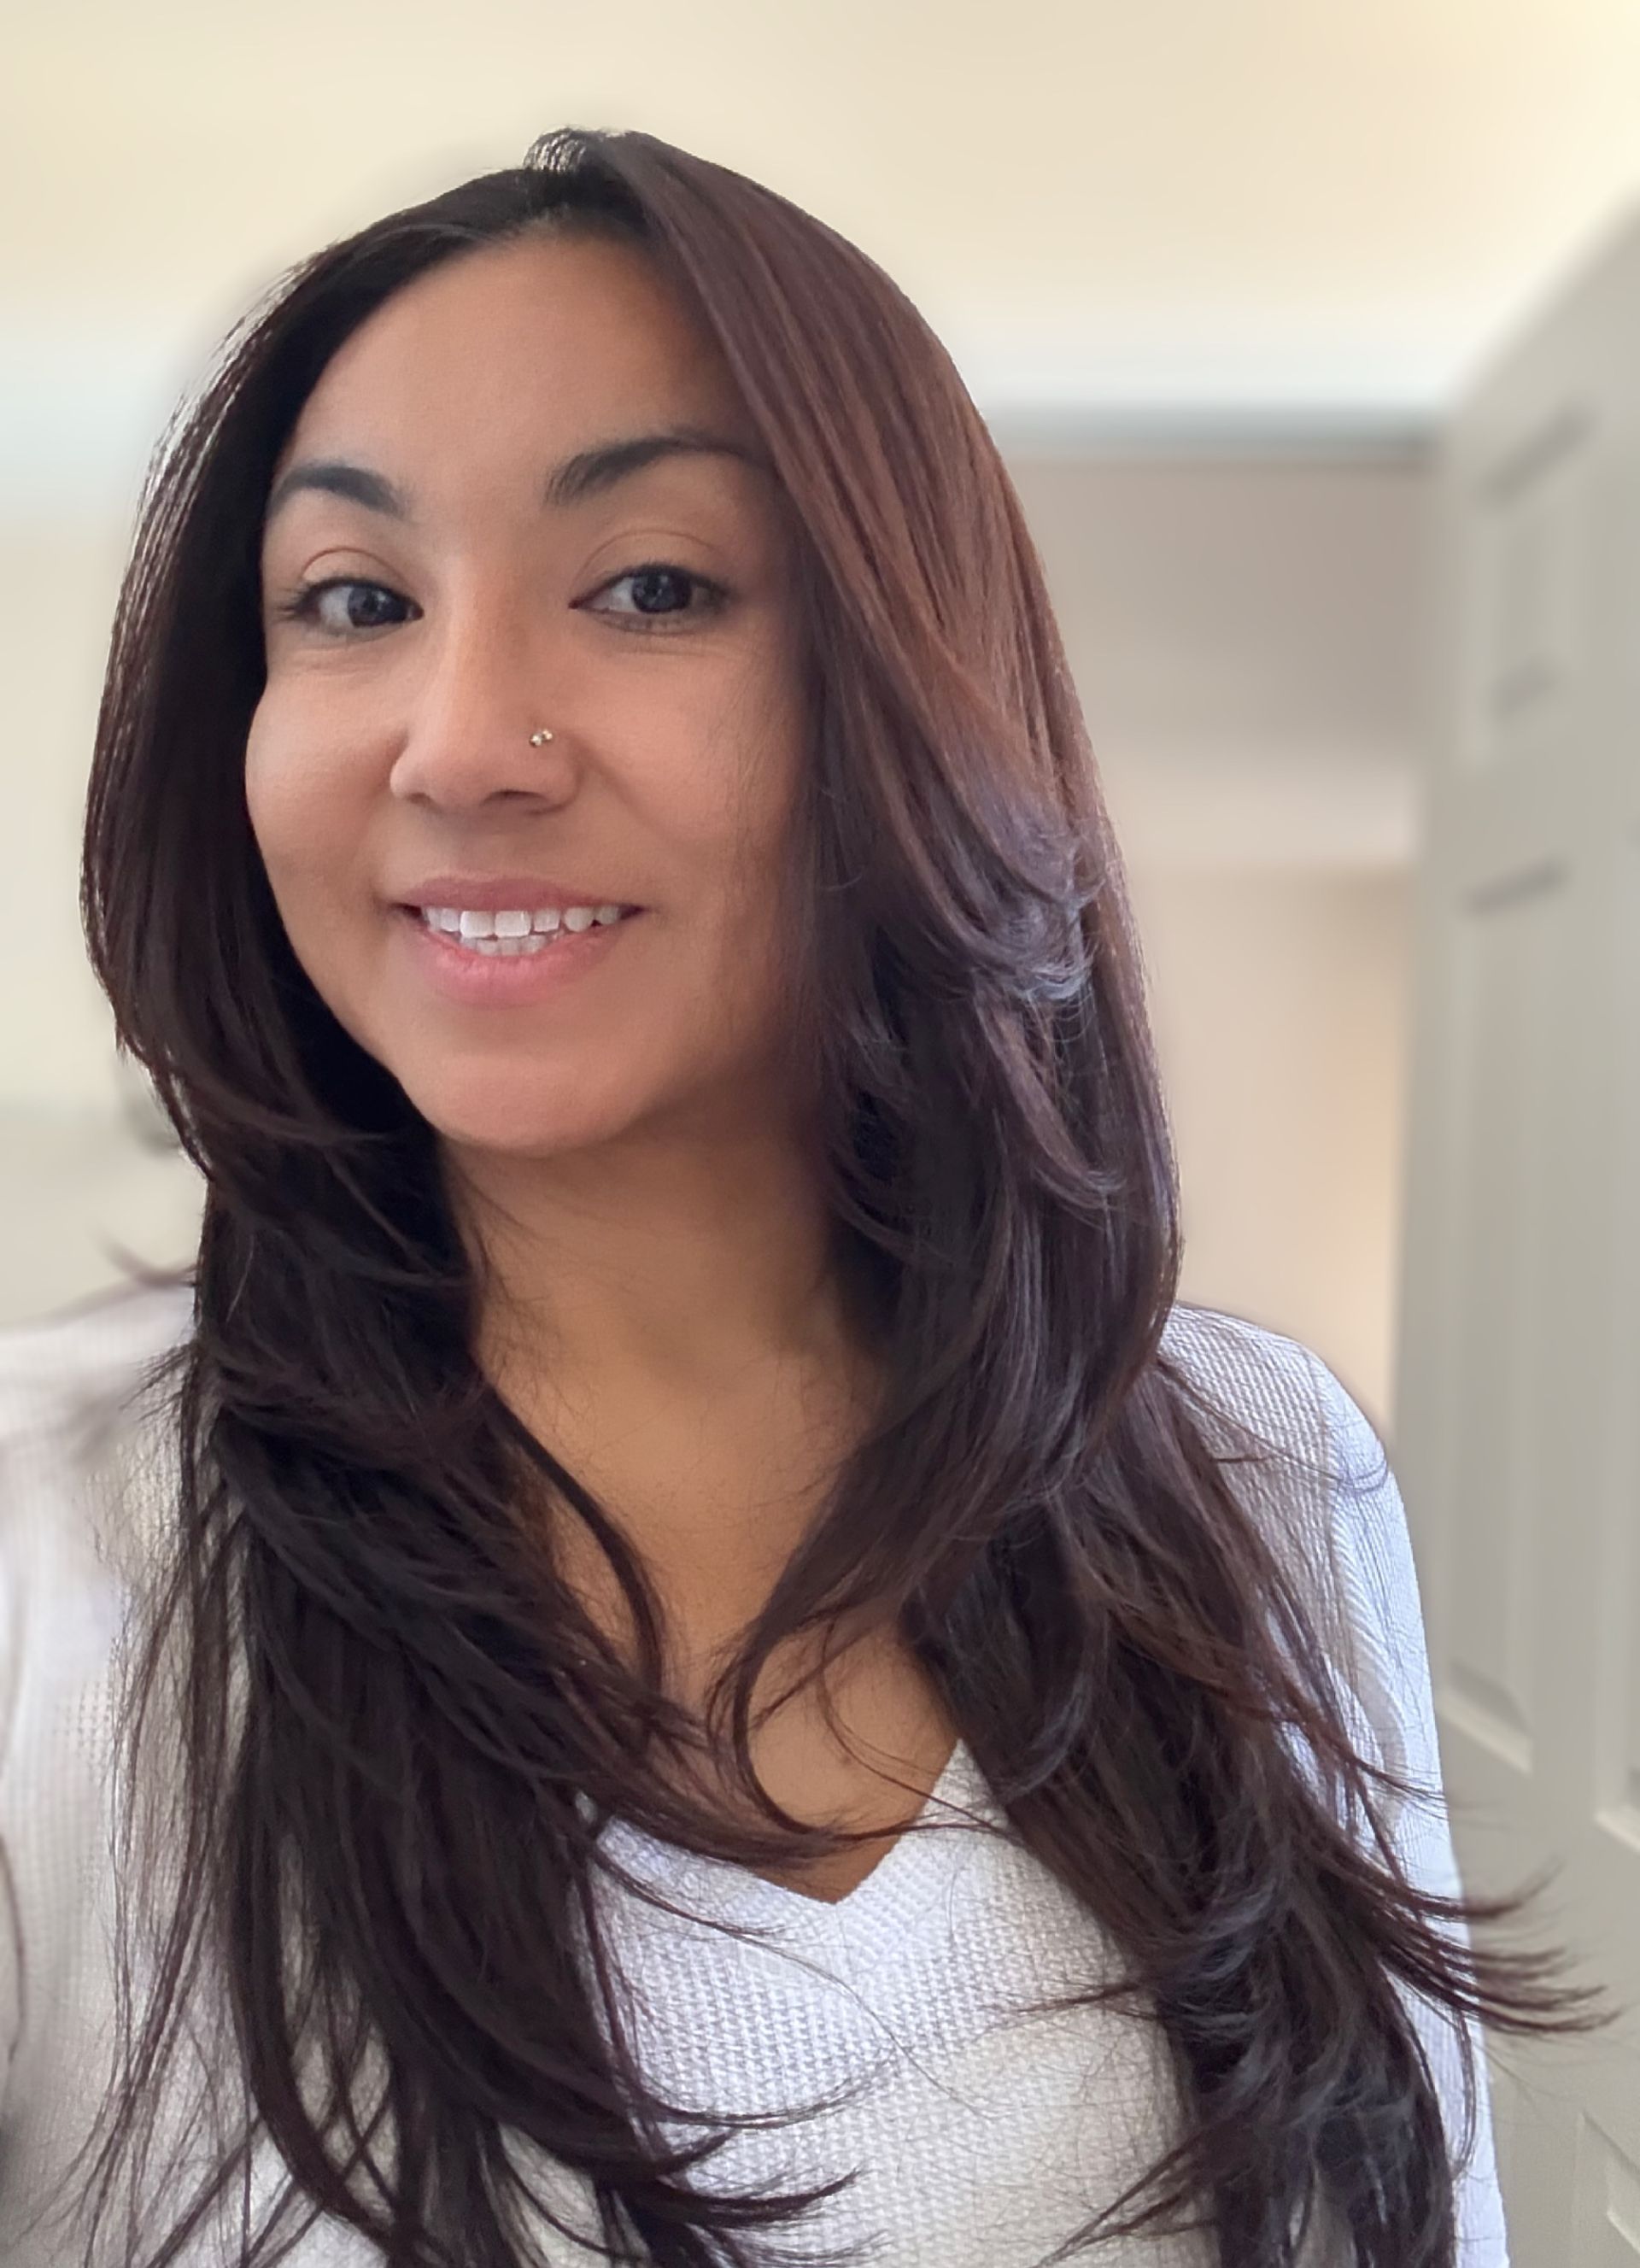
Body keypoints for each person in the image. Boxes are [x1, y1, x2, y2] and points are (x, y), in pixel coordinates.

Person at [0, 125, 1610, 2268]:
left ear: (912, 692)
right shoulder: (50, 1551)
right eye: (355, 602)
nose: (462, 739)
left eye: (652, 584)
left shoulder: (1262, 1473)